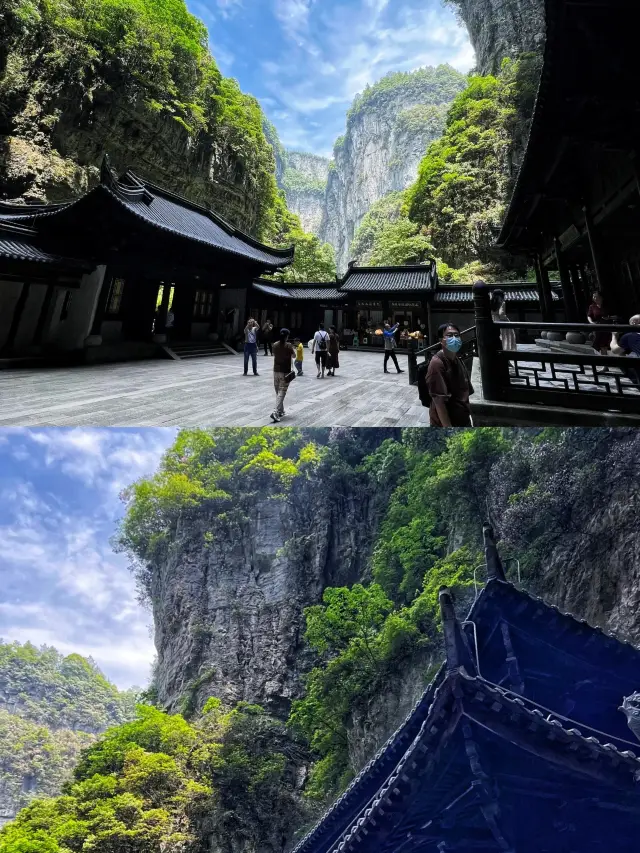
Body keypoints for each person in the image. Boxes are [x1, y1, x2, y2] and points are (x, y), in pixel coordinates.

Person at [426, 323, 474, 427]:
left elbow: (465, 392)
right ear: (441, 340)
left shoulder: (458, 360)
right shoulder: (437, 364)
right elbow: (439, 403)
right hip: (448, 423)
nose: (454, 338)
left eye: (457, 335)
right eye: (449, 335)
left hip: (463, 419)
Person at [271, 328, 296, 422]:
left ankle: (281, 410)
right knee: (282, 392)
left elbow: (274, 354)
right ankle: (275, 411)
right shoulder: (288, 345)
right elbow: (294, 356)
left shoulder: (275, 345)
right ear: (287, 336)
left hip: (276, 371)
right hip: (285, 372)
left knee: (278, 391)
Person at [610, 314, 640, 386]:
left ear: (633, 323)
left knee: (626, 358)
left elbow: (615, 350)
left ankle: (636, 382)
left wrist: (614, 336)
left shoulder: (630, 335)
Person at [587, 291, 611, 369]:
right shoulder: (592, 306)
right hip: (598, 327)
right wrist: (591, 322)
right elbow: (589, 316)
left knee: (604, 346)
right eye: (594, 296)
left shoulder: (607, 305)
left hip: (608, 326)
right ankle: (605, 365)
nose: (595, 298)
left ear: (601, 297)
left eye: (597, 296)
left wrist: (609, 318)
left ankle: (606, 364)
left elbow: (616, 315)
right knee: (601, 346)